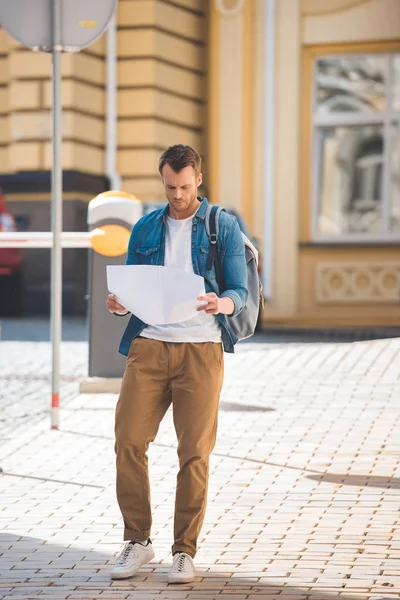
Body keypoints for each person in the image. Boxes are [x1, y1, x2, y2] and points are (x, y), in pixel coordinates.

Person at [106, 144, 248, 583]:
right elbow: (132, 286)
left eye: (185, 187)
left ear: (198, 180)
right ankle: (138, 540)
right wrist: (118, 304)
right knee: (128, 441)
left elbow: (240, 291)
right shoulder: (146, 228)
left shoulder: (222, 227)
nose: (178, 195)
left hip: (200, 352)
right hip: (149, 346)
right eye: (170, 187)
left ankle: (184, 549)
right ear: (162, 179)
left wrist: (221, 302)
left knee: (194, 453)